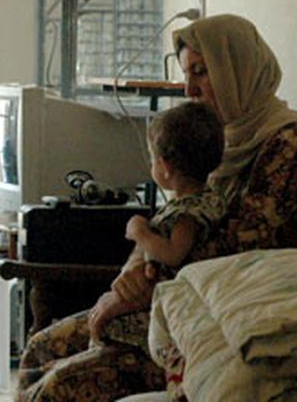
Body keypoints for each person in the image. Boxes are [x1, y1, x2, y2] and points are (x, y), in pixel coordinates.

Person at [17, 13, 297, 401]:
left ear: (238, 70)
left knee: (60, 386)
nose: (190, 89)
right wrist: (130, 279)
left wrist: (139, 289)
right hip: (180, 305)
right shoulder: (226, 149)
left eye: (202, 72)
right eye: (187, 74)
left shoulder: (295, 151)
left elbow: (234, 257)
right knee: (42, 347)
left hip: (231, 325)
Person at [87, 101, 225, 342]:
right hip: (155, 295)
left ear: (165, 167)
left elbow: (173, 254)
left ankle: (97, 349)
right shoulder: (209, 197)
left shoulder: (187, 214)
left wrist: (140, 232)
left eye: (152, 159)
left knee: (102, 323)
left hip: (165, 308)